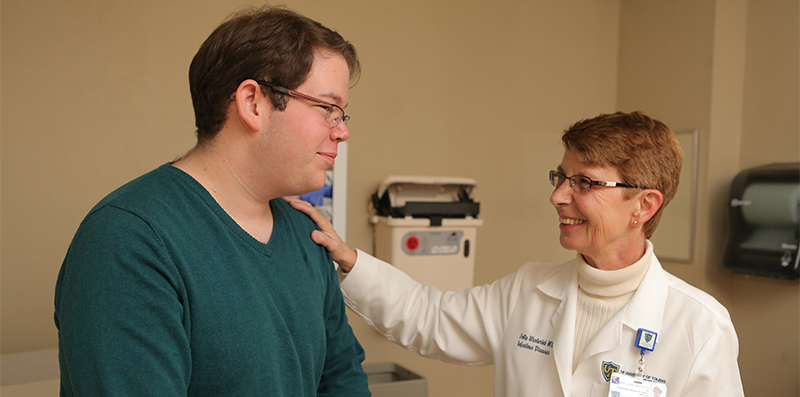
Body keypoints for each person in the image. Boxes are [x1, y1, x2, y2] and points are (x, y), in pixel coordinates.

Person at [288, 111, 745, 396]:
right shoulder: (530, 290)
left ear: (644, 206)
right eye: (560, 177)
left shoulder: (700, 326)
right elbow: (428, 316)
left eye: (584, 182)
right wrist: (347, 258)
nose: (559, 197)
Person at [54, 6, 370, 396]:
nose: (341, 132)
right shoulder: (127, 240)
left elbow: (342, 379)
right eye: (328, 109)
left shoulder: (307, 233)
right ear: (253, 102)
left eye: (342, 115)